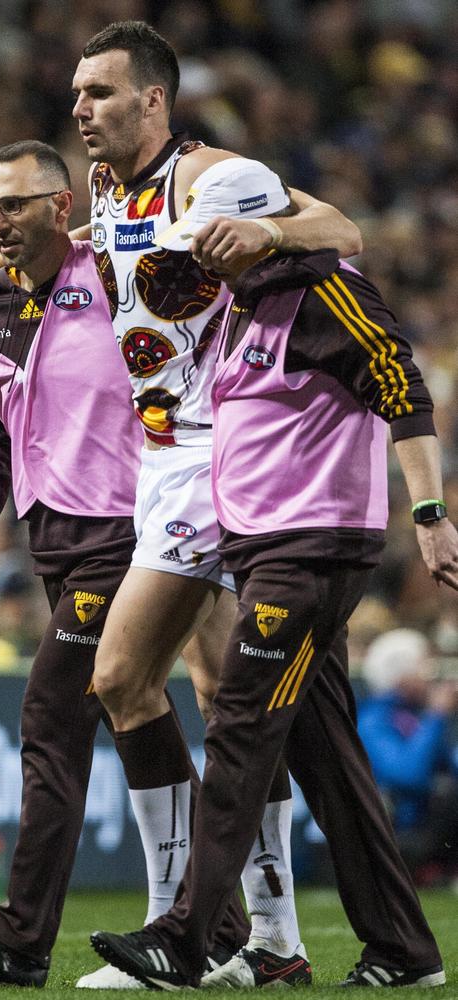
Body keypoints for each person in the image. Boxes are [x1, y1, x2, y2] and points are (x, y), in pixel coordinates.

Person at [0, 20, 362, 989]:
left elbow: (338, 229)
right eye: (76, 92)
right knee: (197, 695)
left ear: (152, 100)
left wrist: (265, 232)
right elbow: (112, 243)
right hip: (165, 461)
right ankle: (260, 939)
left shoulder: (202, 169)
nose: (79, 107)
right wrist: (6, 262)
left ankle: (205, 933)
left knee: (150, 681)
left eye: (97, 92)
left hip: (223, 452)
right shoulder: (106, 187)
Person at [89, 163, 458, 990]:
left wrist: (430, 516)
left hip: (311, 551)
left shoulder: (328, 292)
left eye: (208, 241)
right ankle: (404, 950)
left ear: (245, 230)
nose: (200, 260)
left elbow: (403, 386)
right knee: (323, 753)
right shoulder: (248, 301)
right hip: (262, 550)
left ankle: (186, 939)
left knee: (242, 721)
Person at [0, 139, 249, 989]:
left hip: (133, 531)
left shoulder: (113, 279)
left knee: (50, 716)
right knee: (130, 702)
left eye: (16, 204)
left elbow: (152, 240)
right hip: (52, 542)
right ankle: (218, 924)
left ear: (62, 207)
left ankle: (20, 940)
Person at [359, 628, 458, 885]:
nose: (431, 676)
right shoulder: (373, 718)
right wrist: (436, 716)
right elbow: (407, 775)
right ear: (400, 674)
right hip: (396, 830)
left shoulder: (418, 714)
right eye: (423, 667)